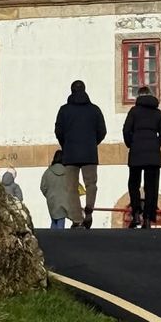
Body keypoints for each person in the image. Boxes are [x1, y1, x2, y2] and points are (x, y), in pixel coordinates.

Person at [54, 79, 107, 229]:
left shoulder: (64, 110)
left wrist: (66, 144)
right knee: (91, 184)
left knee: (71, 187)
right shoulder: (94, 110)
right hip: (89, 152)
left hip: (70, 153)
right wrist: (92, 143)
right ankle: (89, 208)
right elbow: (102, 131)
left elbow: (58, 131)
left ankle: (77, 219)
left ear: (71, 91)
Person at [122, 85, 161, 229]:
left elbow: (126, 130)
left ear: (138, 97)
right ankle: (148, 217)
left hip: (136, 152)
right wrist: (155, 144)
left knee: (134, 184)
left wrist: (131, 144)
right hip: (153, 155)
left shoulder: (134, 111)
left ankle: (136, 213)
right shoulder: (157, 113)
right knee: (151, 187)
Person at [40, 149, 71, 229]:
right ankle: (59, 239)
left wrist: (48, 195)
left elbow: (43, 187)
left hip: (52, 199)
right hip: (64, 199)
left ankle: (53, 239)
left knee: (54, 220)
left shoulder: (48, 172)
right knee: (61, 220)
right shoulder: (68, 171)